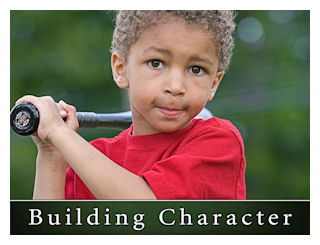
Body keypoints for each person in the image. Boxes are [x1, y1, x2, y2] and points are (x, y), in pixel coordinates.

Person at [15, 10, 246, 200]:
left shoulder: (219, 143)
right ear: (121, 69)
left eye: (196, 69)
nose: (176, 86)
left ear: (214, 82)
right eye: (157, 63)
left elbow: (147, 213)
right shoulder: (92, 159)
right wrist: (52, 155)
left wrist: (59, 132)